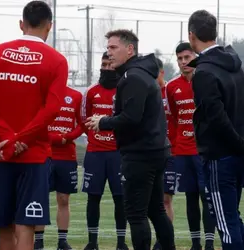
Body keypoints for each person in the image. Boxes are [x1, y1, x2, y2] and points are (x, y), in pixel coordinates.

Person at [0, 1, 68, 250]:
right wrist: (20, 139)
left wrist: (7, 138)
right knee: (26, 224)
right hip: (33, 155)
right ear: (50, 26)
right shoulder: (56, 60)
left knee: (4, 225)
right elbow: (52, 109)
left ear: (21, 24)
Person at [86, 29, 175, 250]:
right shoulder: (137, 73)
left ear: (130, 49)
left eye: (114, 48)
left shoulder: (133, 76)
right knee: (156, 210)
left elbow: (132, 117)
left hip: (141, 154)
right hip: (153, 150)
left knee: (136, 214)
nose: (109, 53)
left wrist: (104, 122)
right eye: (107, 48)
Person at [188, 10, 244, 250]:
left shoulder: (204, 72)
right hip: (237, 153)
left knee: (225, 221)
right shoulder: (235, 65)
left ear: (191, 35)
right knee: (233, 217)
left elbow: (216, 117)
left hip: (220, 156)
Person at [166, 42, 216, 250]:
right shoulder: (171, 87)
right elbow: (172, 119)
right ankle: (195, 243)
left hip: (204, 152)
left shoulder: (206, 80)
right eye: (180, 59)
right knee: (190, 197)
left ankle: (210, 243)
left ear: (195, 57)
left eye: (188, 57)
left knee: (208, 197)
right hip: (183, 152)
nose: (184, 62)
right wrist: (175, 144)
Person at [80, 52, 128, 250]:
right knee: (93, 198)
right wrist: (95, 137)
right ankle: (92, 242)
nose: (107, 68)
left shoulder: (125, 89)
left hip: (118, 154)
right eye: (104, 64)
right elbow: (84, 119)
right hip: (95, 153)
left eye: (110, 64)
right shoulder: (91, 91)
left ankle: (120, 243)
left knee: (120, 198)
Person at [34, 86, 83, 250]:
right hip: (43, 154)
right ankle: (38, 241)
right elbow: (35, 123)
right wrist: (54, 138)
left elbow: (81, 124)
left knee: (63, 198)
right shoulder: (40, 94)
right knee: (40, 198)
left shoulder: (75, 96)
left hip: (66, 156)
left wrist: (67, 137)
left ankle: (62, 241)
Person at [152, 58, 177, 250]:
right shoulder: (148, 92)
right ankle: (162, 238)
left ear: (162, 73)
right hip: (153, 152)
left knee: (166, 198)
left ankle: (167, 240)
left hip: (170, 152)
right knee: (157, 200)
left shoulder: (169, 91)